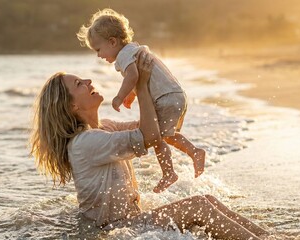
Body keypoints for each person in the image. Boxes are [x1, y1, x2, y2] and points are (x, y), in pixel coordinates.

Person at [30, 51, 269, 239]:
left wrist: (161, 94)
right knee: (198, 206)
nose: (88, 80)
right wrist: (140, 85)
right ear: (71, 106)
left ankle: (271, 237)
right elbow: (148, 134)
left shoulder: (105, 127)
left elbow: (156, 128)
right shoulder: (85, 143)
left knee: (207, 200)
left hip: (128, 223)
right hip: (112, 232)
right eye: (79, 84)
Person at [77, 8, 205, 193]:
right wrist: (133, 95)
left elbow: (133, 76)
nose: (98, 55)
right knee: (167, 135)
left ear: (112, 41)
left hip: (165, 99)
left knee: (157, 137)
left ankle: (171, 171)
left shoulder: (123, 56)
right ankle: (192, 154)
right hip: (176, 96)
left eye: (99, 49)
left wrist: (120, 96)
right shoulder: (135, 50)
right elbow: (144, 78)